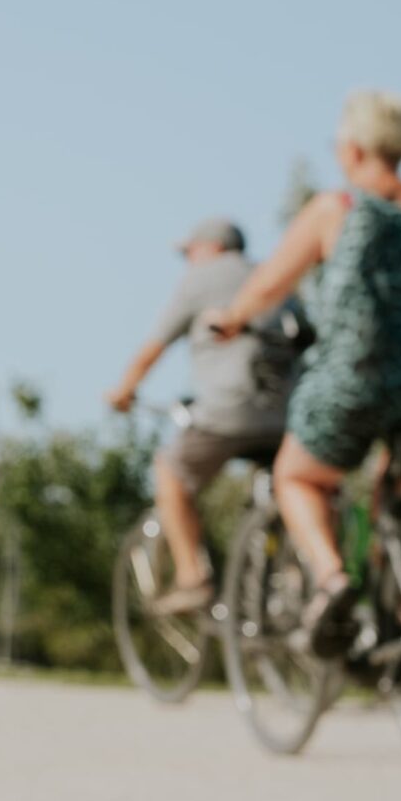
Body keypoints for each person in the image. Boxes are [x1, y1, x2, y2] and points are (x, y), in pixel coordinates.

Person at [206, 90, 401, 654]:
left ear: (355, 147)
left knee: (298, 475)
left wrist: (230, 319)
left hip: (362, 379)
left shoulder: (337, 207)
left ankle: (333, 581)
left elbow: (269, 286)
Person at [106, 217, 300, 615]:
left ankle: (193, 576)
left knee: (171, 473)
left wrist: (124, 391)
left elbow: (153, 347)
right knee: (292, 490)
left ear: (209, 248)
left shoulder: (202, 279)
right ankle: (296, 578)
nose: (188, 262)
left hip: (230, 412)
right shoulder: (275, 278)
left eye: (189, 253)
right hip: (287, 418)